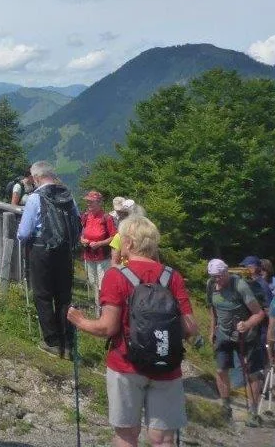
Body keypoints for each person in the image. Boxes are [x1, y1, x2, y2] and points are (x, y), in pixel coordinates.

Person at [67, 216, 198, 447]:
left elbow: (108, 327)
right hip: (167, 365)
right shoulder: (172, 277)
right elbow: (190, 328)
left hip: (125, 365)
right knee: (163, 439)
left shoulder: (116, 276)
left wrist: (79, 321)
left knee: (126, 434)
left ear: (127, 242)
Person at [16, 161, 80, 357]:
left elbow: (24, 232)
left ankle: (51, 341)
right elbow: (78, 225)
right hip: (65, 252)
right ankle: (67, 342)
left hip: (41, 251)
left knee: (43, 295)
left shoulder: (35, 198)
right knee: (64, 296)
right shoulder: (68, 196)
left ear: (36, 178)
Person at [206, 258, 266, 425]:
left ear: (226, 272)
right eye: (214, 276)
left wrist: (246, 324)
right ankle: (226, 408)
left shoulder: (240, 285)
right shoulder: (211, 285)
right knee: (220, 370)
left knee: (251, 373)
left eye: (220, 275)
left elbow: (259, 314)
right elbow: (212, 309)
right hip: (223, 335)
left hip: (246, 336)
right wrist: (212, 330)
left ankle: (253, 413)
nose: (217, 279)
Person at [80, 190, 117, 312]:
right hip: (89, 255)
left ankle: (104, 310)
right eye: (88, 202)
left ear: (99, 203)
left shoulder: (107, 218)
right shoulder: (86, 216)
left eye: (91, 202)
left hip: (103, 256)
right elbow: (81, 233)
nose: (89, 204)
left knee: (102, 284)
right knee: (93, 282)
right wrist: (82, 240)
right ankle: (98, 308)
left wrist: (100, 243)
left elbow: (114, 237)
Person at [109, 200, 142, 267]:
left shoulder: (146, 234)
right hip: (126, 272)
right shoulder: (118, 237)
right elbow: (114, 263)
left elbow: (114, 263)